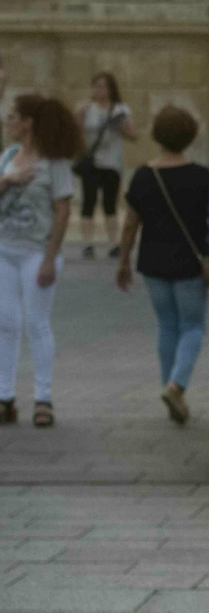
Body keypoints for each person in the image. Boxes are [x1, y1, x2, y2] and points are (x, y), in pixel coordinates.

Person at [115, 105, 209, 426]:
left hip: (153, 263)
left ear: (157, 135)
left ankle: (170, 388)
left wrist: (124, 260)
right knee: (193, 326)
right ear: (190, 136)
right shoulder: (201, 176)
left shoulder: (143, 175)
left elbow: (130, 224)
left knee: (167, 325)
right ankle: (176, 385)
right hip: (189, 263)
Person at [0, 95, 82, 428]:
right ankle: (5, 397)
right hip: (4, 250)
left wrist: (50, 258)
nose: (7, 123)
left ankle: (42, 399)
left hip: (37, 253)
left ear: (28, 123)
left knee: (36, 322)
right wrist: (8, 180)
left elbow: (63, 211)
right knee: (5, 323)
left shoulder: (55, 163)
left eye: (12, 117)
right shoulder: (7, 157)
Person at [77, 71, 136, 259]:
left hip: (112, 162)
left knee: (110, 203)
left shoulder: (121, 109)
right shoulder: (87, 108)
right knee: (89, 201)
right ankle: (87, 243)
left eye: (103, 86)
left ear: (111, 89)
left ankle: (113, 242)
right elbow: (76, 133)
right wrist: (79, 115)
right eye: (96, 86)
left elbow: (134, 135)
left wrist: (122, 126)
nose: (99, 90)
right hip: (92, 162)